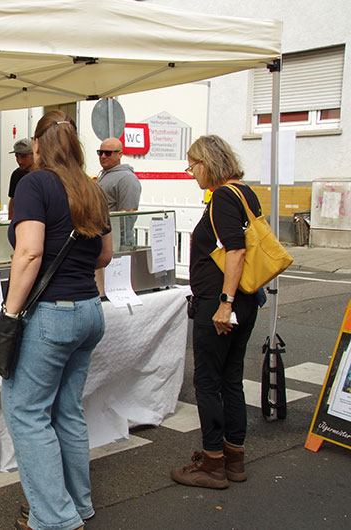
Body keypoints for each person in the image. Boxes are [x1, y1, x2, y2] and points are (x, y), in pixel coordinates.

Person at [1, 110, 113, 530]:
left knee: (27, 413)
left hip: (51, 314)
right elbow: (104, 256)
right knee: (66, 410)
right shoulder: (92, 188)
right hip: (89, 310)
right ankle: (77, 505)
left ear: (40, 145)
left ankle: (55, 519)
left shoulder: (35, 183)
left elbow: (28, 252)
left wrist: (11, 312)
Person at [170, 135, 261, 489]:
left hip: (222, 302)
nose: (191, 171)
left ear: (208, 162)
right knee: (231, 380)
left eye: (193, 164)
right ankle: (233, 458)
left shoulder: (223, 195)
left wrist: (224, 302)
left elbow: (235, 251)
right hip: (247, 299)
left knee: (208, 382)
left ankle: (212, 463)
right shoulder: (243, 191)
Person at [96, 137, 141, 246]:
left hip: (116, 243)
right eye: (100, 152)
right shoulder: (102, 176)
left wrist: (119, 244)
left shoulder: (127, 179)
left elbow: (127, 218)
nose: (103, 156)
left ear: (120, 154)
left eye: (108, 153)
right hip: (100, 239)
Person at [7, 138, 35, 219]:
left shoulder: (45, 175)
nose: (19, 161)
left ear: (34, 154)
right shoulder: (17, 175)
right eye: (17, 157)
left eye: (24, 157)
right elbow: (13, 200)